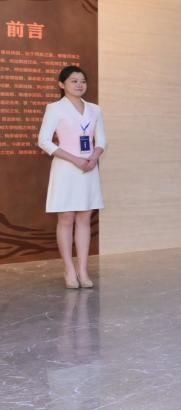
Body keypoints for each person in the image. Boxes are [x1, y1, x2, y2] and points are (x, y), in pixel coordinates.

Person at [37, 66, 105, 289]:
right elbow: (44, 141)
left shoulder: (95, 109)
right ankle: (69, 269)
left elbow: (101, 140)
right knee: (66, 217)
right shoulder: (55, 108)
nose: (79, 84)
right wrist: (74, 159)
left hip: (88, 168)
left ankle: (83, 270)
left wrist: (94, 157)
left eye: (82, 81)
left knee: (84, 217)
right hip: (66, 168)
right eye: (74, 81)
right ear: (61, 84)